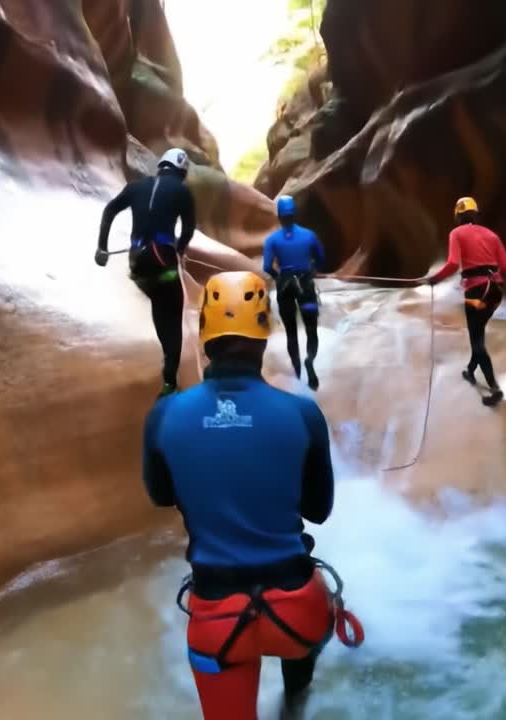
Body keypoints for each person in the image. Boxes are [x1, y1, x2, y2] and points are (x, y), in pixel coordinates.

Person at [142, 271, 363, 719]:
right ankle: (294, 703)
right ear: (264, 336)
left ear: (205, 333)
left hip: (217, 618)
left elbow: (161, 495)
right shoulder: (302, 413)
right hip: (296, 609)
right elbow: (319, 511)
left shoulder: (165, 415)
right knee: (299, 669)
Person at [95, 147, 197, 397]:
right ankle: (169, 381)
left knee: (159, 306)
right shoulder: (182, 191)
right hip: (164, 262)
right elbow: (188, 228)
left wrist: (102, 247)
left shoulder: (135, 187)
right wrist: (180, 250)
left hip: (139, 264)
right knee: (172, 315)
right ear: (181, 171)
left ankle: (168, 361)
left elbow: (109, 210)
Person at [421, 196, 506, 407]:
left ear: (458, 216)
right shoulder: (492, 235)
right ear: (476, 214)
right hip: (495, 292)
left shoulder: (457, 233)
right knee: (477, 332)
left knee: (477, 340)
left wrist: (435, 278)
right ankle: (471, 371)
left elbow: (453, 263)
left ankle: (494, 388)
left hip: (476, 293)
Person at [262, 195, 326, 389]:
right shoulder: (309, 235)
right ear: (294, 213)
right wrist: (312, 269)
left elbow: (266, 266)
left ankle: (297, 371)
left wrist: (278, 277)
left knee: (291, 332)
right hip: (305, 285)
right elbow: (321, 259)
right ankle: (310, 360)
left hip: (285, 287)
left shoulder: (272, 240)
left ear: (280, 216)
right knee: (311, 329)